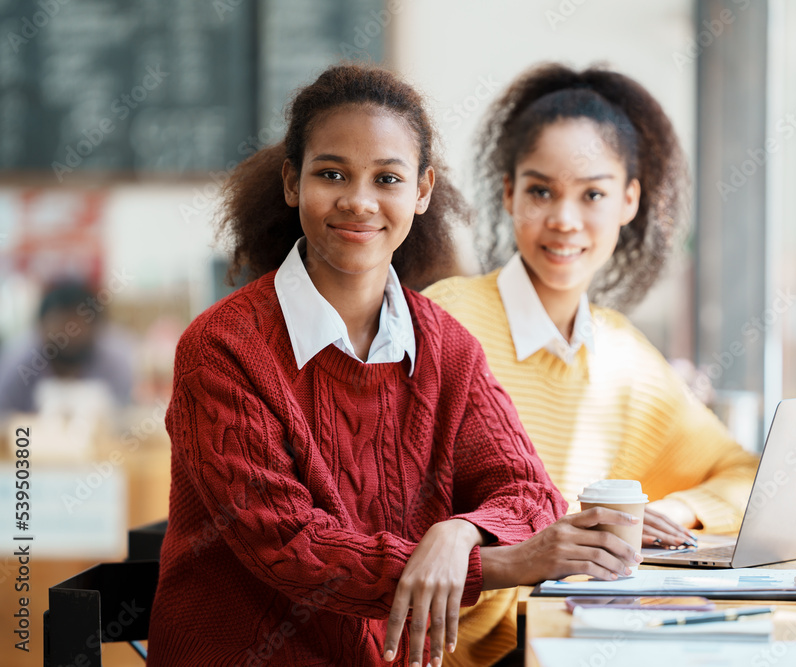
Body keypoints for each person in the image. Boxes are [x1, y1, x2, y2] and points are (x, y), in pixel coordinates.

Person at [147, 63, 644, 667]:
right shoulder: (221, 349)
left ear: (422, 190)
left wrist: (456, 536)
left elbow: (528, 492)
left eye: (387, 178)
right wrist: (505, 562)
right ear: (290, 181)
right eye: (332, 173)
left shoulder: (446, 347)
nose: (359, 201)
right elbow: (292, 547)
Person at [424, 63, 759, 545]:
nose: (564, 219)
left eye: (593, 194)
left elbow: (742, 473)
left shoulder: (626, 359)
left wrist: (669, 512)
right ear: (509, 193)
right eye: (541, 191)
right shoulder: (444, 322)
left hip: (575, 621)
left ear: (628, 201)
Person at [0, 278, 133, 418]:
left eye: (79, 325)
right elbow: (4, 414)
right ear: (41, 326)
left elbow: (124, 415)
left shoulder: (115, 361)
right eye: (62, 323)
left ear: (97, 327)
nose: (71, 335)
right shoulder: (19, 362)